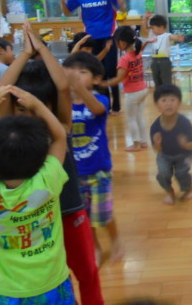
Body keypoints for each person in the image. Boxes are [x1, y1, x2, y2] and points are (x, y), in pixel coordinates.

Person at [0, 22, 104, 304]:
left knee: (87, 272)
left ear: (49, 107)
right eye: (22, 109)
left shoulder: (59, 129)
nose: (30, 115)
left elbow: (62, 86)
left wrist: (41, 48)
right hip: (30, 222)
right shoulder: (12, 133)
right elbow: (3, 88)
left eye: (38, 108)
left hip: (68, 210)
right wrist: (24, 53)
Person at [0, 86, 75, 304]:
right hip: (53, 282)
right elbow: (60, 137)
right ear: (41, 157)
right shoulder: (48, 180)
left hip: (8, 290)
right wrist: (37, 106)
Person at [63, 51, 125, 265]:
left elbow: (97, 110)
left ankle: (115, 240)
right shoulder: (63, 103)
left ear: (96, 79)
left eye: (82, 72)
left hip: (99, 169)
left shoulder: (100, 99)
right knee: (85, 215)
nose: (76, 76)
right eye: (72, 72)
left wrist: (78, 87)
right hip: (74, 173)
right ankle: (95, 247)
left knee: (104, 214)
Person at [60, 0, 126, 115]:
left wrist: (122, 4)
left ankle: (116, 106)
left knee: (111, 71)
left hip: (109, 35)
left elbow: (121, 9)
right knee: (96, 71)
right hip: (90, 38)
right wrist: (62, 1)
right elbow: (67, 12)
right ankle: (104, 105)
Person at [101, 26, 150, 151]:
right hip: (143, 89)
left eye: (117, 43)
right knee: (139, 117)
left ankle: (136, 144)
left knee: (131, 119)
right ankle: (143, 141)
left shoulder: (124, 59)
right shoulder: (138, 53)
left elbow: (118, 79)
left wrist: (102, 84)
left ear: (122, 43)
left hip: (133, 93)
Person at [150, 84, 192, 205]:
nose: (168, 104)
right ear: (157, 105)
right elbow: (157, 150)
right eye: (164, 100)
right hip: (164, 154)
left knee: (182, 173)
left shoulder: (184, 123)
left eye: (172, 100)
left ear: (179, 103)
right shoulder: (155, 126)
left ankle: (188, 189)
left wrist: (186, 144)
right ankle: (169, 191)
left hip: (184, 154)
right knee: (163, 174)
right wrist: (157, 144)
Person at [141, 12, 185, 87]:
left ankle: (167, 92)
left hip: (164, 61)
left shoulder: (167, 35)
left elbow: (173, 37)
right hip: (154, 61)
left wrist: (178, 37)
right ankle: (159, 92)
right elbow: (145, 28)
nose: (152, 30)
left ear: (161, 27)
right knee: (157, 81)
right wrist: (146, 18)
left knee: (166, 81)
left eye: (154, 28)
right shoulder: (153, 35)